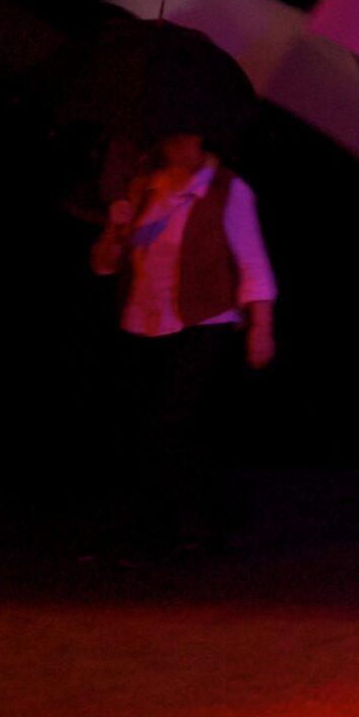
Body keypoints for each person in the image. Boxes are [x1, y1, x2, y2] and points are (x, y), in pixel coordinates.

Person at [88, 131, 277, 557]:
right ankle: (159, 527)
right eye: (176, 139)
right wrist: (115, 229)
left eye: (191, 138)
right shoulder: (143, 188)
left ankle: (193, 525)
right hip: (142, 322)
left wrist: (261, 326)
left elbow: (252, 261)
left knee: (172, 425)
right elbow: (104, 266)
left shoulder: (227, 188)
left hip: (203, 320)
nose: (185, 147)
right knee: (144, 428)